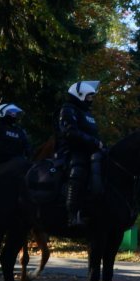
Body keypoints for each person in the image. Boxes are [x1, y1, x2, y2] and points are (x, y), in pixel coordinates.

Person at [57, 81, 104, 226]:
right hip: (72, 150)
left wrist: (100, 145)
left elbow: (93, 134)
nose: (91, 99)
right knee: (78, 170)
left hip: (90, 150)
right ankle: (72, 214)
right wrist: (94, 143)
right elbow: (70, 132)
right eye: (89, 96)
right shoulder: (68, 109)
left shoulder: (87, 114)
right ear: (80, 95)